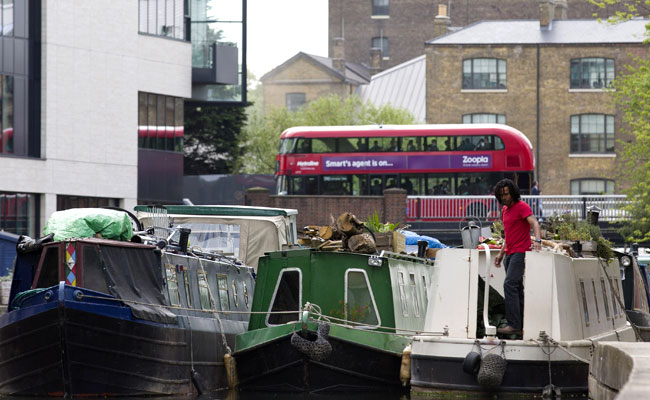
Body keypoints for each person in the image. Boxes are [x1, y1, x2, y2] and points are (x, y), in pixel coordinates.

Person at [493, 179, 542, 337]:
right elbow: (508, 235)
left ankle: (513, 325)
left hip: (521, 252)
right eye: (501, 195)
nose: (504, 197)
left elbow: (534, 223)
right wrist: (501, 254)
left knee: (509, 284)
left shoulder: (522, 207)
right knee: (517, 288)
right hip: (509, 253)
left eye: (506, 194)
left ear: (513, 192)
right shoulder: (505, 210)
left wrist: (538, 241)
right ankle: (522, 324)